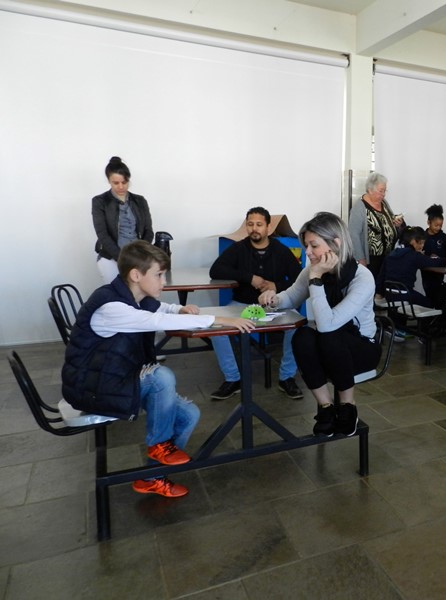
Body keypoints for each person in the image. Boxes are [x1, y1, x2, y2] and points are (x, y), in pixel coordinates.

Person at [61, 241, 255, 497]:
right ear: (136, 275)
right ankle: (160, 444)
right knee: (160, 377)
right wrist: (220, 319)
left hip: (113, 378)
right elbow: (156, 319)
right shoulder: (112, 307)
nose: (164, 282)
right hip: (91, 387)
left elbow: (160, 308)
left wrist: (180, 308)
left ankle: (151, 478)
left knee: (189, 415)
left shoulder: (133, 297)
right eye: (159, 275)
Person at [259, 212, 380, 438]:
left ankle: (348, 406)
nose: (308, 252)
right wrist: (273, 298)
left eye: (313, 245)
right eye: (306, 246)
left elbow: (327, 325)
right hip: (332, 344)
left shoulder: (362, 277)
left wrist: (315, 279)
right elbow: (292, 296)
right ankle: (326, 407)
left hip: (362, 347)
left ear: (336, 243)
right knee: (302, 336)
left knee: (328, 336)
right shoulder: (314, 269)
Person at [209, 207, 303, 400]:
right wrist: (249, 277)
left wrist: (276, 286)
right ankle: (233, 379)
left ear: (268, 227)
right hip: (241, 304)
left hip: (274, 306)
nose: (254, 229)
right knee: (216, 327)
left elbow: (299, 279)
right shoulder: (239, 248)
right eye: (250, 224)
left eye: (259, 224)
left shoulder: (280, 250)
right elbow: (216, 270)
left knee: (298, 327)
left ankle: (287, 378)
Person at [92, 156, 154, 284]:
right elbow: (102, 234)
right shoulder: (100, 201)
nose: (121, 186)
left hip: (137, 258)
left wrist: (140, 254)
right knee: (119, 293)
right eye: (116, 183)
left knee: (140, 292)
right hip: (111, 258)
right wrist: (123, 258)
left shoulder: (140, 201)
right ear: (109, 181)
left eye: (124, 182)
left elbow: (148, 231)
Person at [348, 172, 404, 284]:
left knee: (383, 286)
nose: (384, 194)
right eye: (381, 191)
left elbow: (390, 221)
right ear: (370, 190)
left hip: (387, 256)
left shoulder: (384, 203)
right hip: (371, 260)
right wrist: (361, 259)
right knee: (371, 286)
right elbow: (353, 235)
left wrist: (397, 224)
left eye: (385, 191)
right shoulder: (359, 207)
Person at [378, 226, 446, 309]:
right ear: (413, 242)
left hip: (388, 294)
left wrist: (378, 293)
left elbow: (381, 276)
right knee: (429, 304)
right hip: (405, 294)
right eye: (420, 243)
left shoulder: (391, 254)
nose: (422, 246)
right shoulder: (414, 256)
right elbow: (435, 263)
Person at [421, 204, 446, 307]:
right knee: (428, 292)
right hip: (426, 271)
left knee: (438, 294)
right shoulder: (422, 236)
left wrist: (440, 259)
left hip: (439, 272)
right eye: (436, 225)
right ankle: (430, 312)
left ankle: (438, 313)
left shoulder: (444, 237)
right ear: (428, 222)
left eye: (440, 225)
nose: (438, 228)